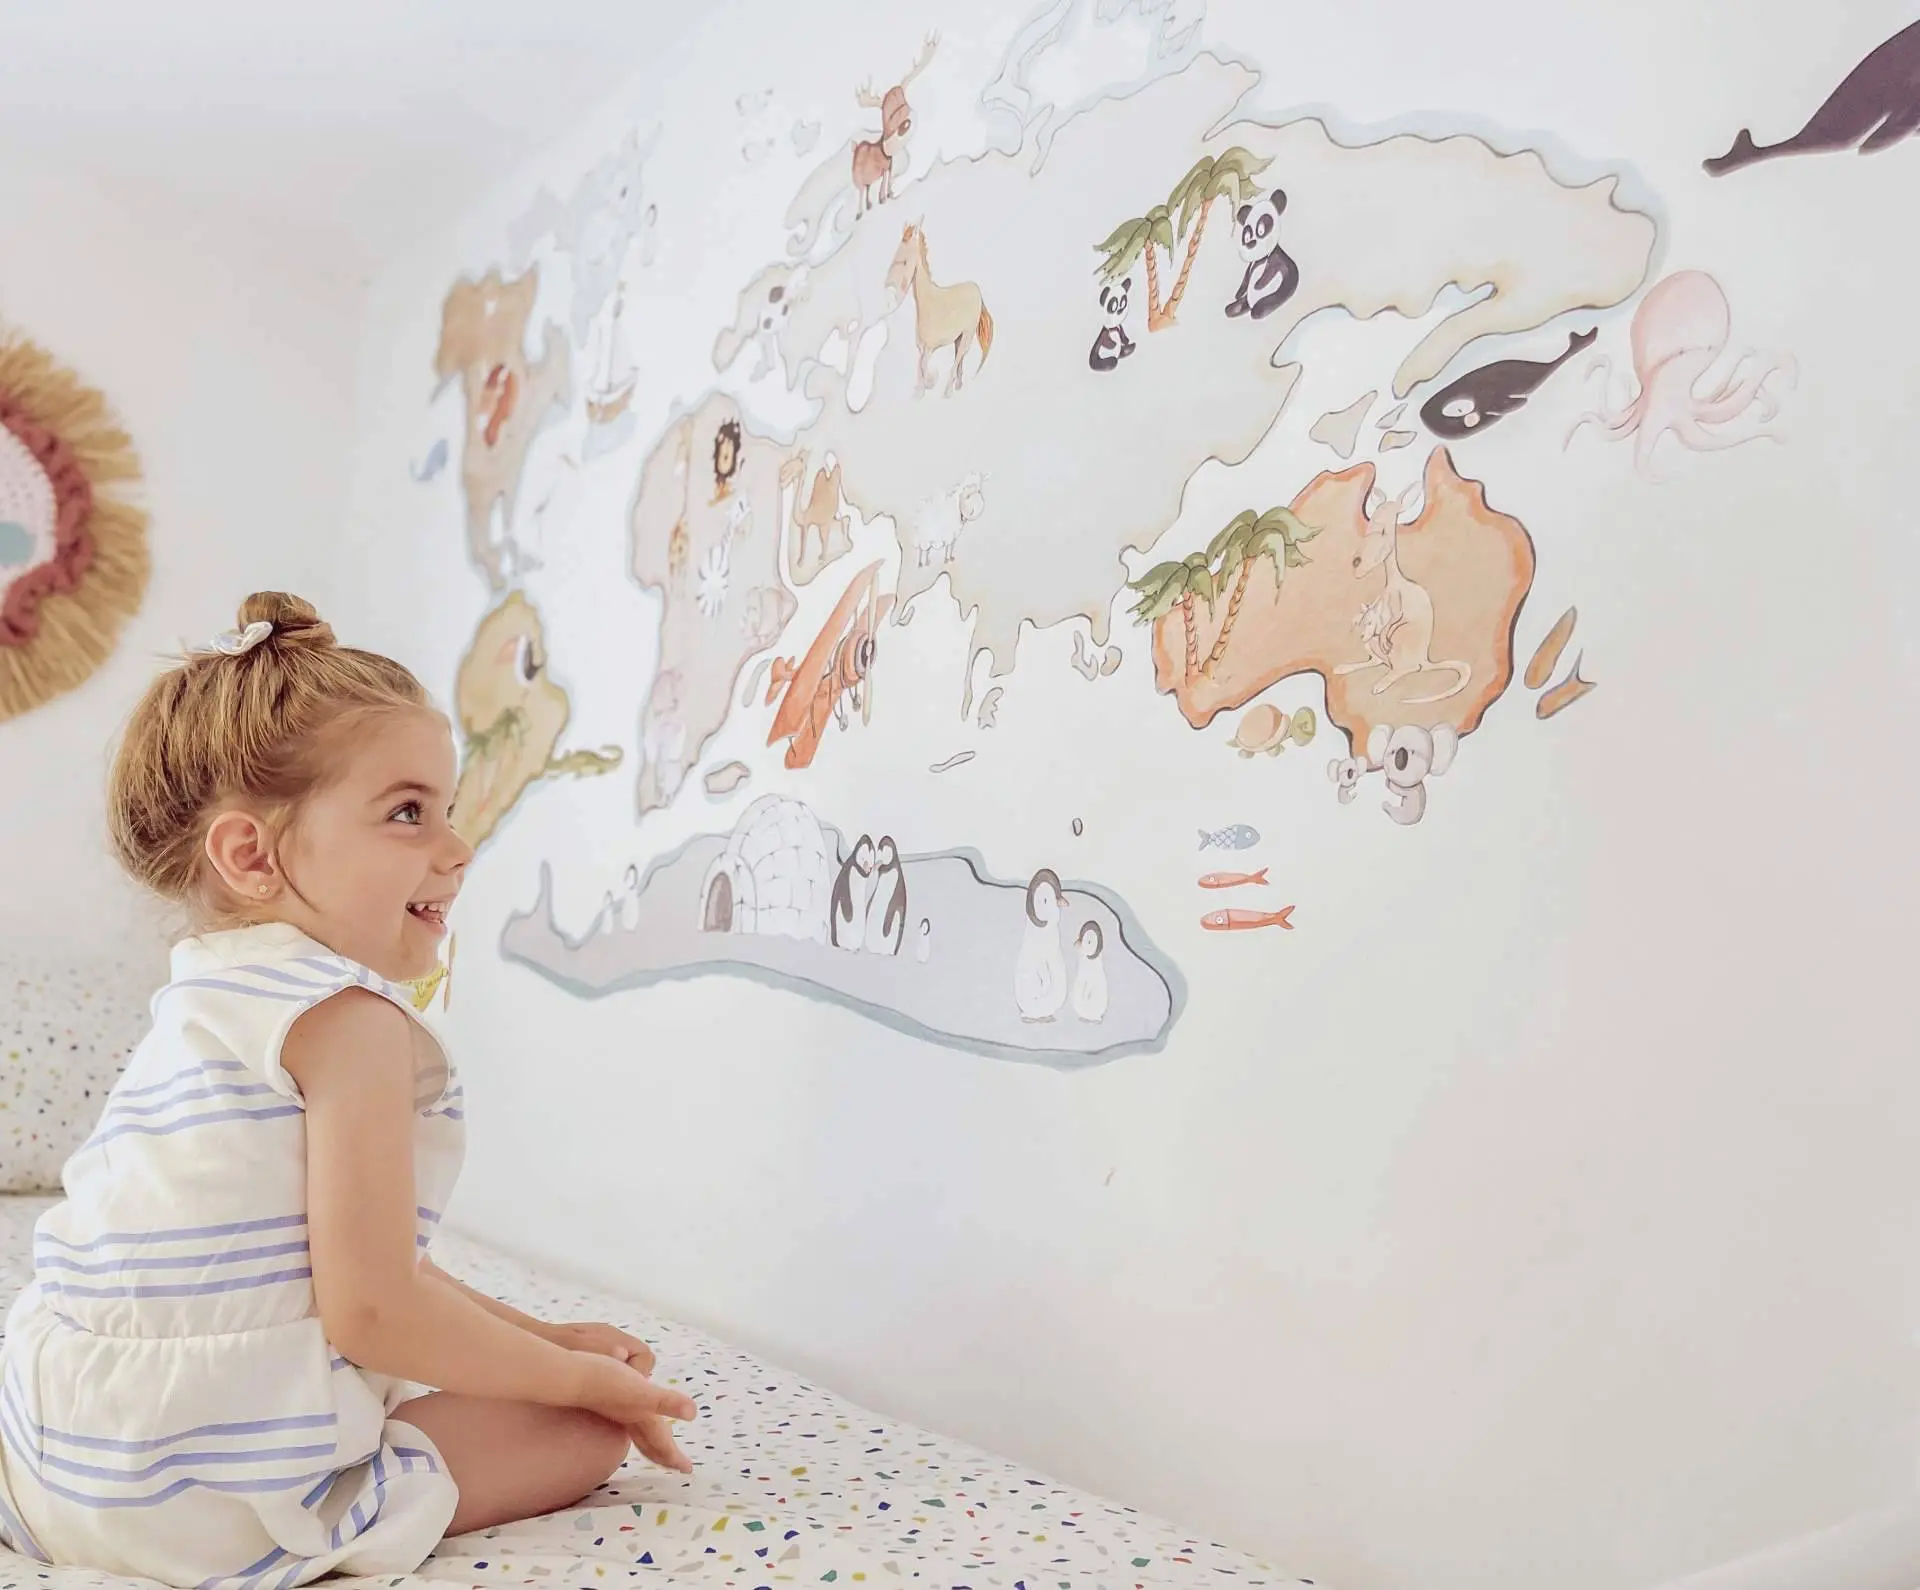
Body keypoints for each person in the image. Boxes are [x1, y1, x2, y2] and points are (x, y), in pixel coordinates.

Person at [0, 593, 694, 1588]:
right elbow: (371, 1310)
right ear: (252, 855)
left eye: (447, 811)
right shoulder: (349, 1023)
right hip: (191, 1500)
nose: (457, 848)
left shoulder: (208, 992)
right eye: (408, 813)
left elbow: (336, 1260)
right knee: (583, 1429)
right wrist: (577, 1380)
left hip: (52, 1453)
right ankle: (324, 1504)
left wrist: (538, 1333)